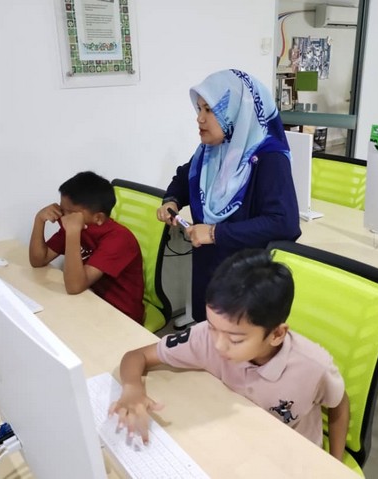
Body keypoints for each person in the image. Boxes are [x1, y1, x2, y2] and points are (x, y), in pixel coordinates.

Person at [109, 249, 349, 462]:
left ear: (277, 334)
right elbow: (136, 356)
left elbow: (339, 404)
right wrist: (132, 388)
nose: (218, 345)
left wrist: (336, 463)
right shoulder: (205, 336)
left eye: (235, 339)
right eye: (213, 326)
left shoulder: (313, 366)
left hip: (291, 457)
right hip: (235, 440)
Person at [157, 69, 301, 327]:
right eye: (199, 108)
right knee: (209, 333)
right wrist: (172, 200)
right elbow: (184, 177)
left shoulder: (269, 158)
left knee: (235, 342)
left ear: (236, 111)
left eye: (209, 110)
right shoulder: (211, 150)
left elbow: (284, 223)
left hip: (246, 281)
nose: (199, 118)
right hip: (210, 269)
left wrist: (215, 233)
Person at [29, 171, 145, 324]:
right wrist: (39, 220)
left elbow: (74, 286)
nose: (63, 217)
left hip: (122, 315)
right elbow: (38, 260)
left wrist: (72, 233)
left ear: (98, 217)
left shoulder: (119, 239)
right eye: (62, 209)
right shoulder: (76, 225)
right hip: (89, 299)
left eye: (70, 212)